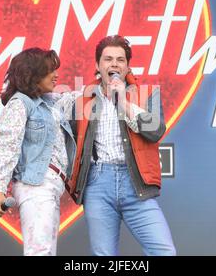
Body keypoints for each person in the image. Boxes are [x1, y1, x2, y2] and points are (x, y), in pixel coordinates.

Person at [68, 35, 176, 256]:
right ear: (98, 65)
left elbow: (156, 131)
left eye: (120, 60)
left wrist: (123, 102)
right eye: (108, 59)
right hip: (98, 184)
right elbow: (69, 140)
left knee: (164, 251)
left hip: (134, 183)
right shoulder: (83, 99)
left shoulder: (146, 94)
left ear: (127, 66)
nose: (114, 64)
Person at [0, 47, 76, 256]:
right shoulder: (20, 103)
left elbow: (76, 97)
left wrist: (103, 81)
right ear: (33, 74)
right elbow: (7, 147)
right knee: (40, 252)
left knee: (43, 251)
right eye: (49, 71)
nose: (56, 75)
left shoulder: (49, 101)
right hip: (36, 186)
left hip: (50, 186)